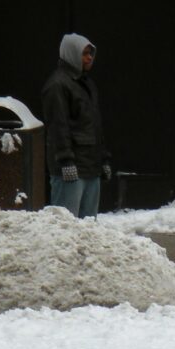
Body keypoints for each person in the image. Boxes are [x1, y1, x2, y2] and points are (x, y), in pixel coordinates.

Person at [41, 32, 111, 219]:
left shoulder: (85, 84)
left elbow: (94, 125)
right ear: (71, 54)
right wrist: (66, 161)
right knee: (67, 224)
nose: (89, 58)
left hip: (90, 166)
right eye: (84, 53)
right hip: (71, 169)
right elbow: (58, 127)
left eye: (91, 53)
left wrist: (102, 158)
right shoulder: (58, 85)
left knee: (88, 226)